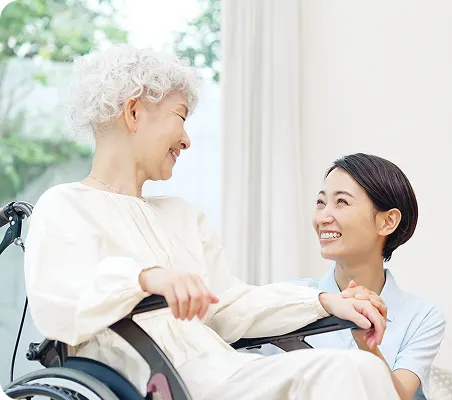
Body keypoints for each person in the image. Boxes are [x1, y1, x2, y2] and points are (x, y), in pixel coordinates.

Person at [22, 44, 399, 400]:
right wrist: (146, 279)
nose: (186, 140)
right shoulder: (66, 205)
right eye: (180, 116)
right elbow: (63, 302)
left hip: (220, 371)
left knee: (363, 368)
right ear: (134, 112)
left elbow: (229, 304)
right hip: (157, 383)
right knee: (348, 371)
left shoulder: (182, 215)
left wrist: (324, 302)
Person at [261, 153, 446, 400]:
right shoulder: (288, 298)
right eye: (321, 202)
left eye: (341, 202)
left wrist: (367, 343)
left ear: (387, 221)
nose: (322, 218)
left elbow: (399, 396)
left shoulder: (422, 316)